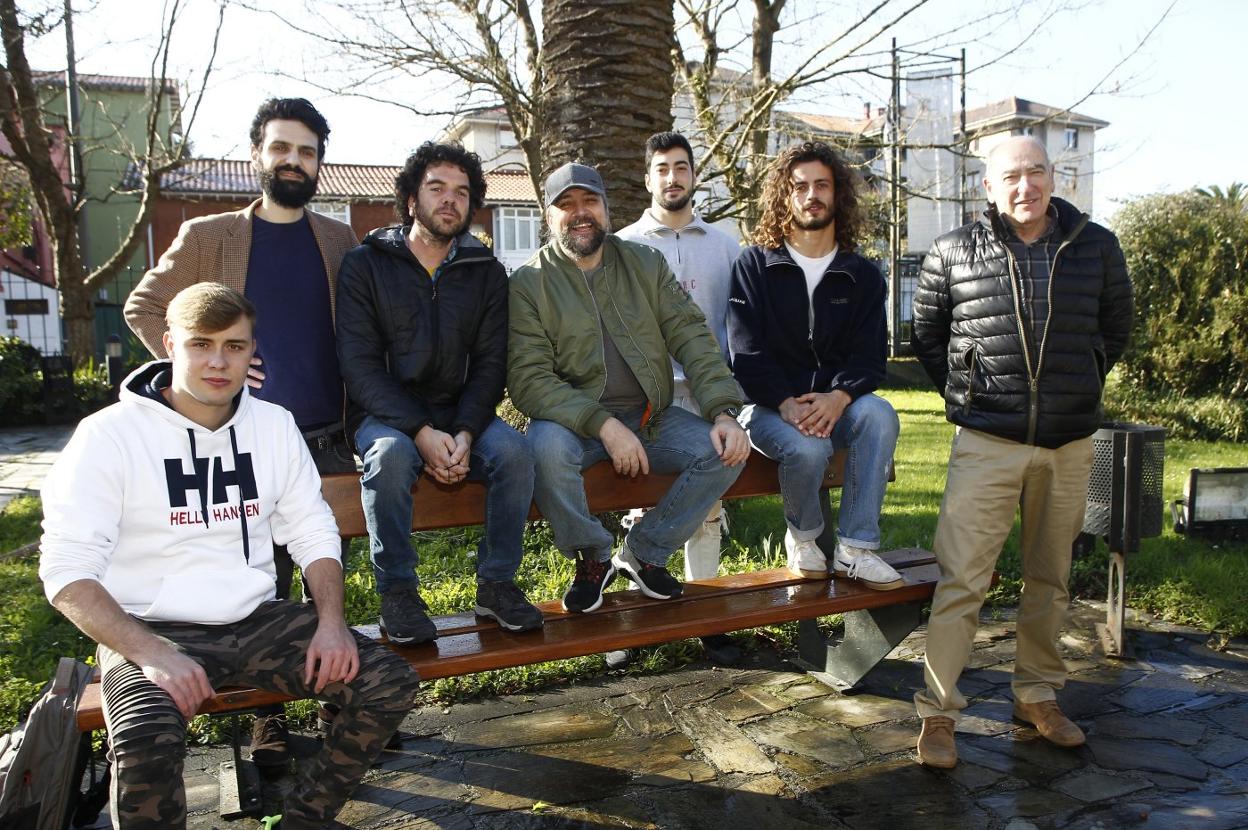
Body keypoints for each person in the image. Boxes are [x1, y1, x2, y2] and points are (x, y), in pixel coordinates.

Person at [40, 284, 419, 830]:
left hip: (258, 619)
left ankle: (306, 818)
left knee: (388, 681)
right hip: (153, 628)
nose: (219, 361)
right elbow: (66, 572)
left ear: (251, 351)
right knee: (145, 732)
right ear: (169, 345)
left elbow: (312, 531)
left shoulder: (272, 425)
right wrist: (150, 652)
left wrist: (332, 623)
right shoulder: (108, 436)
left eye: (235, 346)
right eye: (201, 344)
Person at [123, 97, 358, 764]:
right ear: (258, 155)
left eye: (307, 151)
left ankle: (342, 695)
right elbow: (145, 306)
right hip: (244, 442)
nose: (293, 160)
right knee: (264, 585)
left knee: (330, 574)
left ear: (319, 165)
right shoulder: (210, 235)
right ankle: (268, 719)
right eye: (281, 147)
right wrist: (202, 368)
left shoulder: (338, 239)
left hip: (327, 435)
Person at [910, 135, 1133, 769]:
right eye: (1010, 175)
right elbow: (928, 335)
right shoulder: (953, 250)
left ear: (1053, 177)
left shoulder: (1097, 246)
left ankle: (1037, 693)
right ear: (988, 185)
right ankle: (939, 711)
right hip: (987, 441)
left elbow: (1115, 329)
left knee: (1051, 577)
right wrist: (973, 392)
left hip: (1067, 442)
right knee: (962, 580)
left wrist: (1079, 378)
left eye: (1036, 172)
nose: (1024, 186)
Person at [508, 161, 749, 614]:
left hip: (647, 418)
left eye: (590, 202)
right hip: (572, 424)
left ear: (606, 209)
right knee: (543, 447)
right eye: (566, 205)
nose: (580, 213)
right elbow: (528, 378)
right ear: (548, 217)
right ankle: (593, 556)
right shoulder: (529, 282)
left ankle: (643, 552)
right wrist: (602, 425)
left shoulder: (644, 263)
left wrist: (722, 411)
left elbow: (691, 335)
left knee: (725, 451)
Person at [335, 142, 542, 643]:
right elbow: (358, 366)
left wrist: (468, 431)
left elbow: (492, 364)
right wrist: (421, 431)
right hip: (386, 414)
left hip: (461, 414)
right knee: (389, 456)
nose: (449, 200)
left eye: (461, 193)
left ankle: (496, 584)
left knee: (515, 453)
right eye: (436, 189)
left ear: (472, 207)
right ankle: (399, 592)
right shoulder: (365, 265)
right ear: (411, 200)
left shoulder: (487, 272)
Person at [727, 141, 902, 590]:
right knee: (808, 449)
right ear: (784, 197)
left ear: (837, 194)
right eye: (799, 186)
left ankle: (856, 550)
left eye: (821, 185)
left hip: (835, 406)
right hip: (764, 410)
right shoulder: (755, 264)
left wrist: (839, 397)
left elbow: (870, 355)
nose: (811, 195)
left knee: (879, 413)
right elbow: (745, 351)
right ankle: (804, 538)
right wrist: (786, 403)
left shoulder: (862, 274)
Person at [612, 131, 743, 666]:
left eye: (682, 167)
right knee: (642, 505)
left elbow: (736, 324)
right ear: (648, 179)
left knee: (705, 509)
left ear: (694, 175)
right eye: (662, 168)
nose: (673, 177)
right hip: (649, 401)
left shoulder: (725, 244)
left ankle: (704, 615)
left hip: (710, 396)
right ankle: (627, 630)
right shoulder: (624, 246)